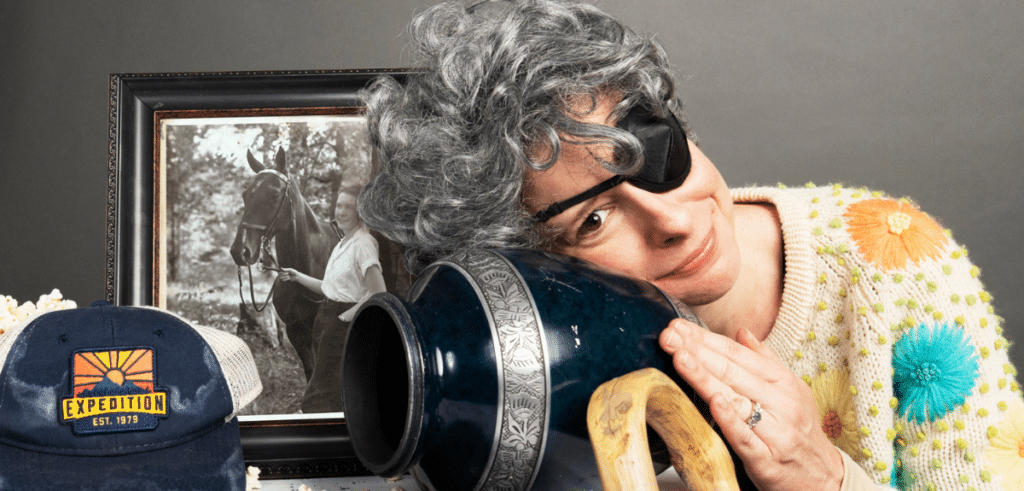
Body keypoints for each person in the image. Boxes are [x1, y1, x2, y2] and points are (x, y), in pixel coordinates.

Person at [356, 0, 1022, 490]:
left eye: (652, 148)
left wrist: (824, 476)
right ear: (531, 270)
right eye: (594, 219)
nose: (672, 219)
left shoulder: (894, 263)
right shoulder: (515, 385)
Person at [279, 192, 386, 413]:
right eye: (339, 206)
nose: (341, 212)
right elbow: (329, 288)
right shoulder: (342, 244)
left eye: (349, 207)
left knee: (320, 395)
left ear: (361, 212)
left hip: (343, 322)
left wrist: (344, 318)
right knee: (330, 389)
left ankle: (315, 426)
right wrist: (297, 276)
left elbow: (378, 292)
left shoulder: (364, 243)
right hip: (326, 318)